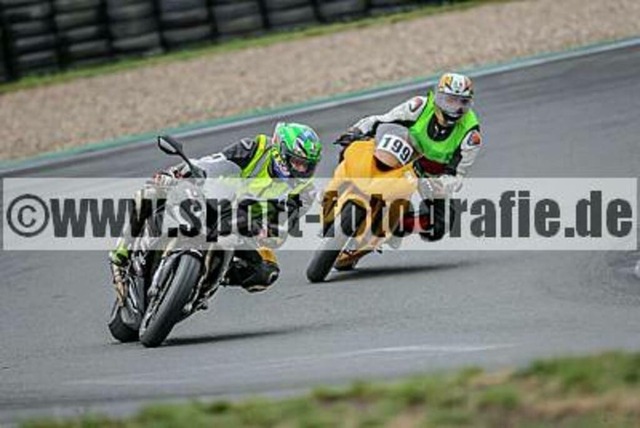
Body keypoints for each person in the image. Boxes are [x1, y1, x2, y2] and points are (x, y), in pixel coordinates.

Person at [109, 122, 322, 302]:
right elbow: (214, 162)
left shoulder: (305, 192)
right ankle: (121, 256)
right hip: (217, 199)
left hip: (246, 226)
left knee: (266, 273)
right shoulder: (257, 148)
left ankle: (204, 287)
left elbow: (284, 228)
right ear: (279, 152)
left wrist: (268, 233)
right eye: (297, 163)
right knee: (151, 193)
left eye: (307, 166)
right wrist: (177, 173)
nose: (301, 170)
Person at [335, 72, 482, 242]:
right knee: (352, 146)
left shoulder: (471, 134)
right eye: (450, 100)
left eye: (463, 102)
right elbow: (382, 120)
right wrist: (356, 131)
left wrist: (443, 184)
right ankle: (341, 186)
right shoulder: (419, 106)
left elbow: (458, 173)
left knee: (438, 228)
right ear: (438, 98)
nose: (455, 108)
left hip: (432, 175)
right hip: (404, 152)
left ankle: (395, 225)